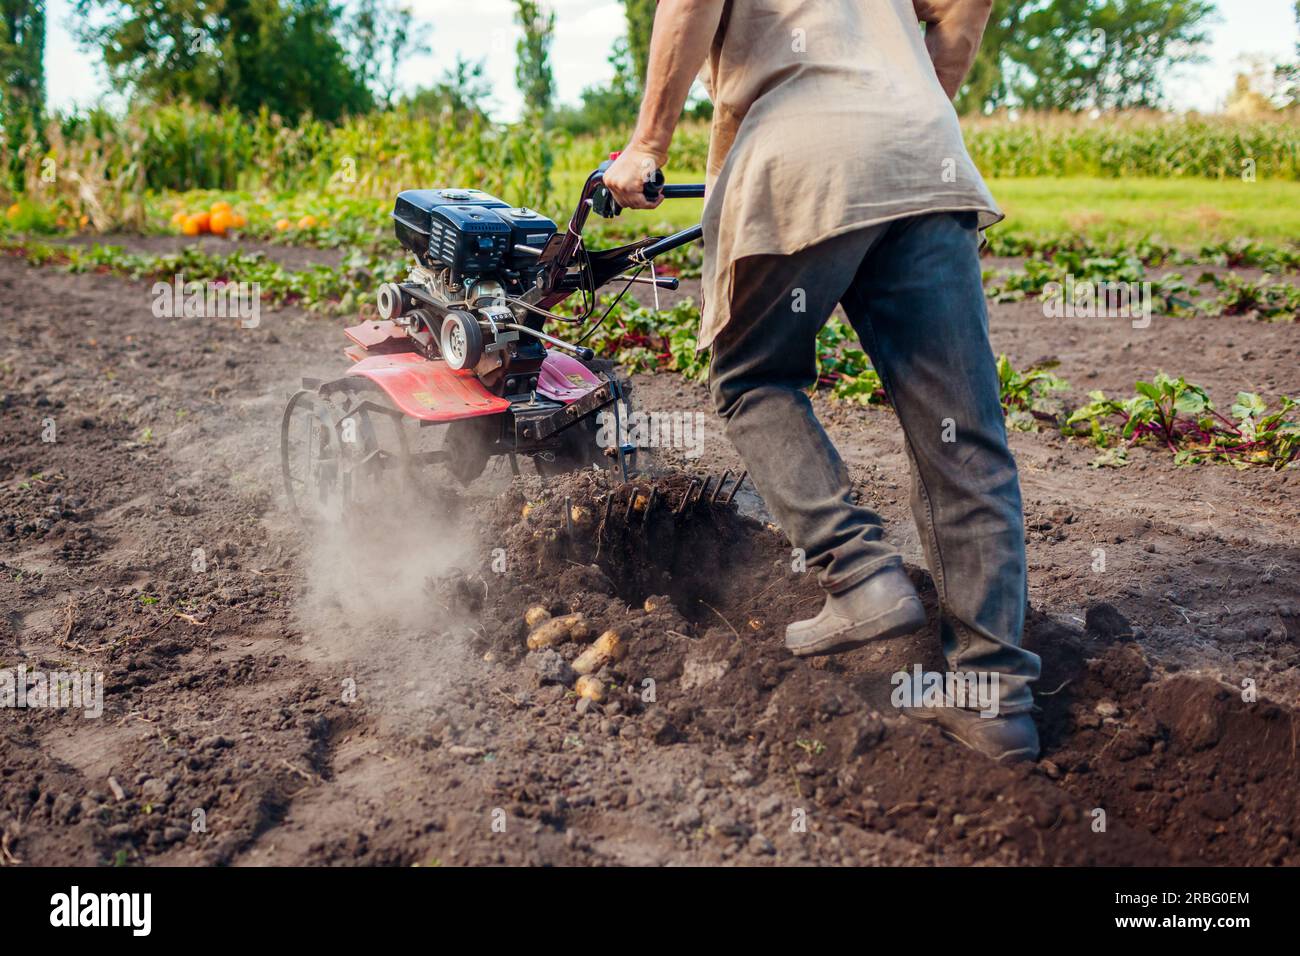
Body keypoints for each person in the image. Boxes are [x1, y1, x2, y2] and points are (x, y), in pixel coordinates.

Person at [603, 0, 1041, 763]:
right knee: (963, 436)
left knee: (752, 377)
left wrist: (645, 145)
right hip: (925, 158)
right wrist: (896, 103)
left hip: (803, 153)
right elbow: (963, 11)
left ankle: (860, 573)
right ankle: (994, 695)